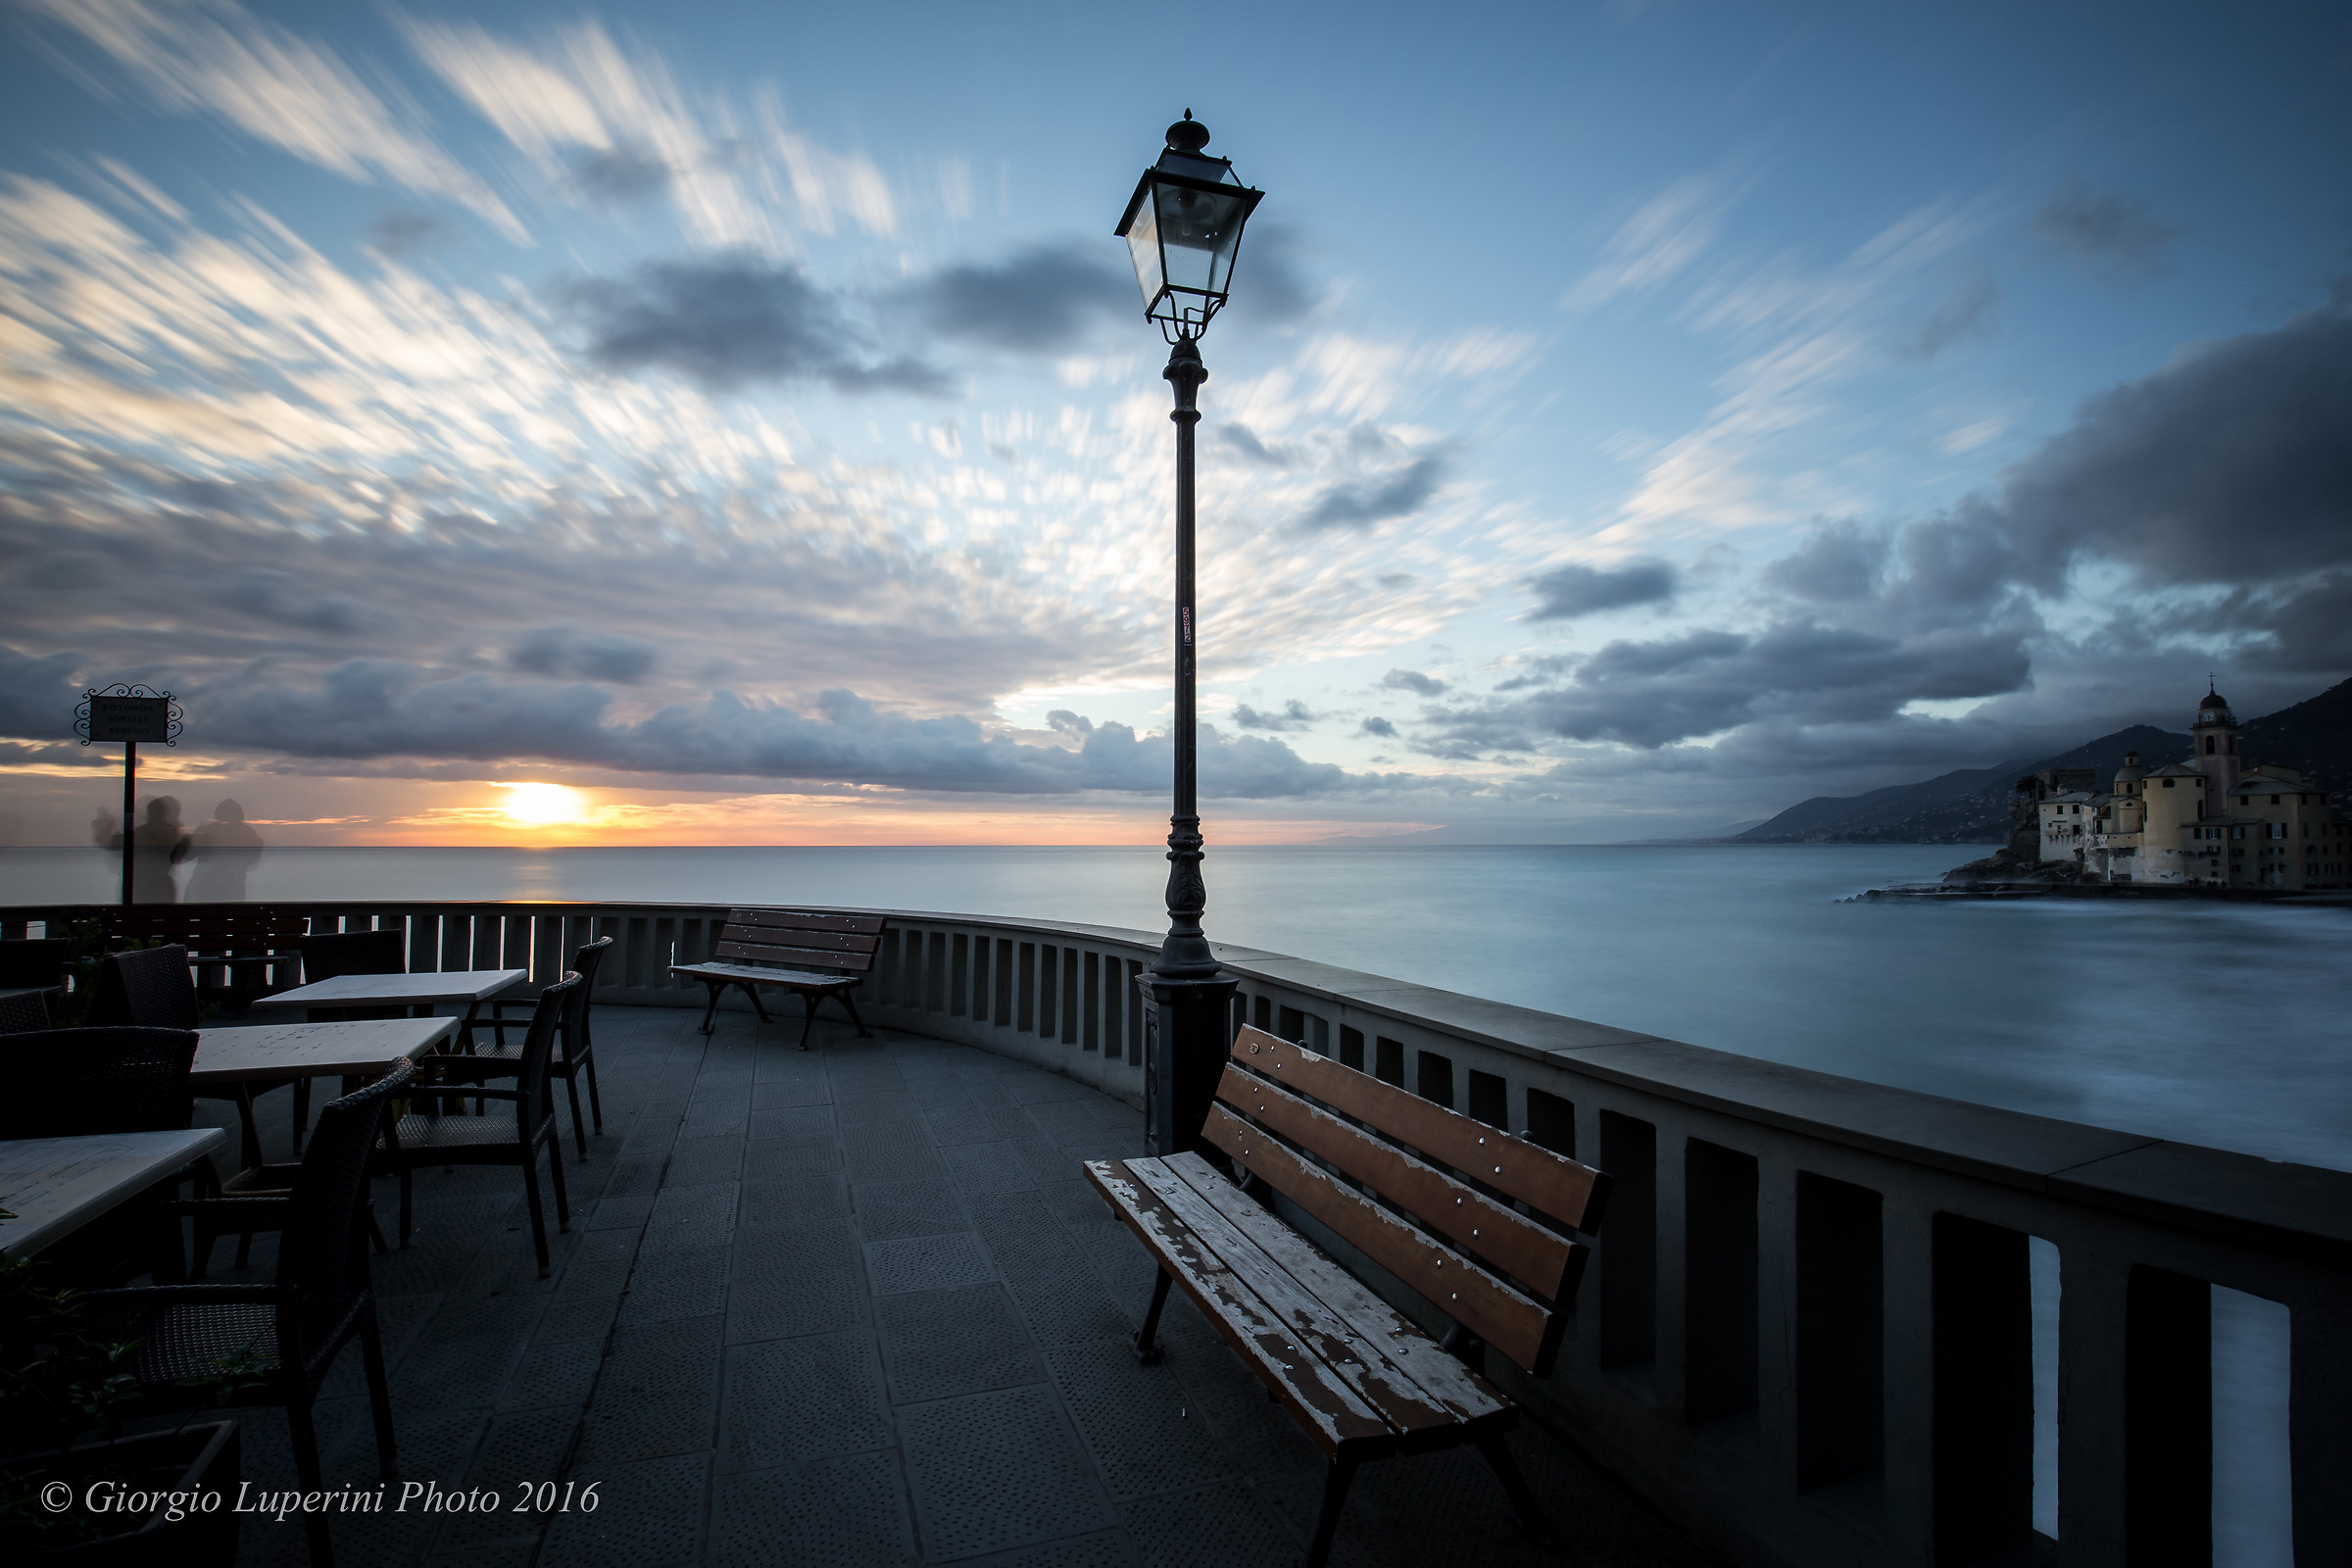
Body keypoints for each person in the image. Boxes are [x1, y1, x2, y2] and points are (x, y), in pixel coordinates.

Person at [93, 796, 191, 903]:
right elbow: (178, 855)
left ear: (148, 814)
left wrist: (109, 824)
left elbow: (109, 843)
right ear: (164, 815)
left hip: (137, 886)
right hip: (161, 887)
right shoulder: (170, 834)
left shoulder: (139, 834)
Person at [188, 799, 266, 902]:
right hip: (234, 885)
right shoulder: (248, 832)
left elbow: (189, 854)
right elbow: (252, 861)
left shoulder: (208, 830)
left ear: (218, 813)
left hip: (206, 884)